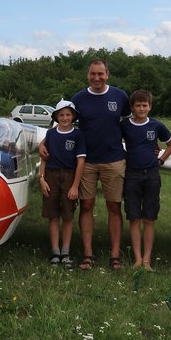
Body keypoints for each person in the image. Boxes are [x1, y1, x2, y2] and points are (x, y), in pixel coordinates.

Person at [43, 59, 129, 270]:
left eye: (101, 74)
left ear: (107, 74)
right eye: (93, 74)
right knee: (86, 206)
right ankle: (88, 254)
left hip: (114, 159)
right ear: (88, 75)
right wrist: (42, 143)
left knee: (114, 206)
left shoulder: (120, 96)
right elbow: (60, 126)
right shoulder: (79, 98)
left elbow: (129, 123)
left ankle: (115, 254)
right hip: (86, 161)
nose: (97, 78)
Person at [121, 90, 171, 271]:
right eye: (138, 105)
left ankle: (147, 259)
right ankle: (137, 259)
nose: (141, 108)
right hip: (132, 175)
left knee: (149, 218)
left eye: (145, 105)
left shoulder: (156, 125)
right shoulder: (125, 125)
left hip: (152, 174)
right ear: (132, 107)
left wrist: (161, 159)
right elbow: (113, 141)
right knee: (134, 218)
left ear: (150, 107)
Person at [38, 100, 86, 268]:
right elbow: (44, 156)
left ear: (73, 116)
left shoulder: (78, 135)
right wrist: (41, 178)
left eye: (68, 115)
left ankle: (66, 251)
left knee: (67, 214)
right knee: (53, 215)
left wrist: (75, 186)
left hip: (69, 175)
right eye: (61, 115)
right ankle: (55, 251)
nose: (65, 118)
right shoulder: (50, 134)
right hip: (51, 175)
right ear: (56, 117)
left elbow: (81, 162)